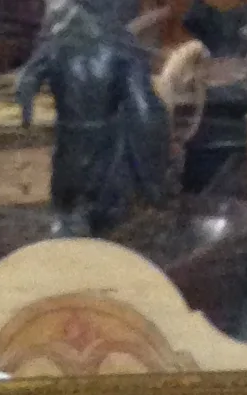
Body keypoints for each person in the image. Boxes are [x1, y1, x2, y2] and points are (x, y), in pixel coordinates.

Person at [14, 0, 173, 238]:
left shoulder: (56, 45)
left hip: (69, 140)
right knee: (107, 216)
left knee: (67, 210)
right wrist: (153, 174)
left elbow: (25, 80)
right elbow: (144, 111)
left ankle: (69, 240)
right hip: (105, 143)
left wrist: (26, 110)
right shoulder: (121, 49)